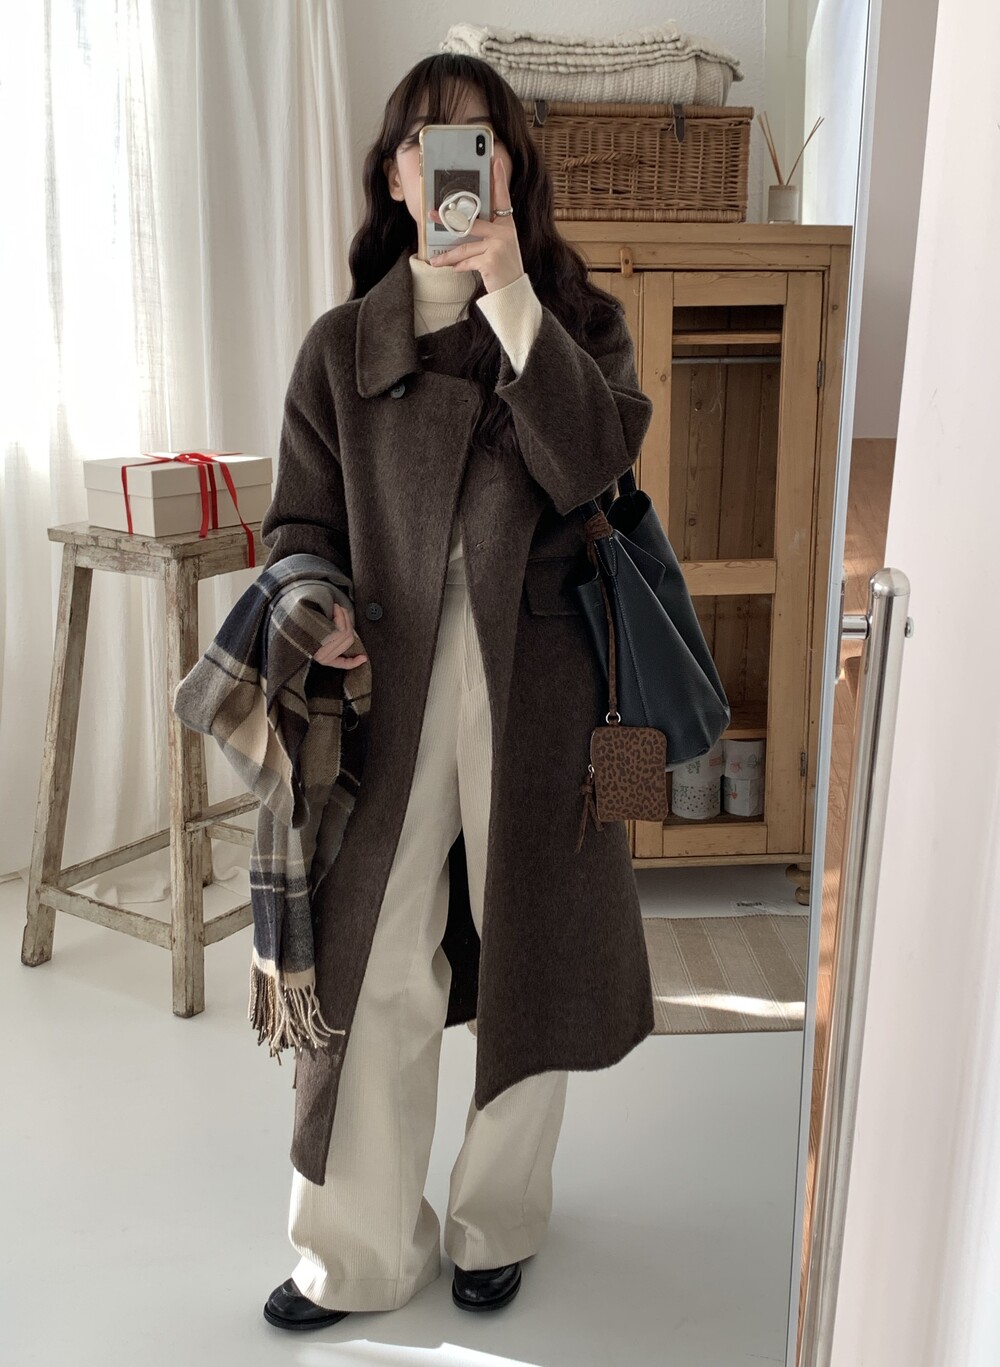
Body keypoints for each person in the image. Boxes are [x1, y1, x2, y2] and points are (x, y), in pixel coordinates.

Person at [262, 52, 655, 1332]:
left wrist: (511, 295)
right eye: (425, 143)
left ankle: (500, 1221)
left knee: (534, 939)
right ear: (393, 174)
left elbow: (594, 469)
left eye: (477, 141)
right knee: (370, 954)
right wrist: (316, 611)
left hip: (544, 687)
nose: (450, 165)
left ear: (508, 166)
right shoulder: (342, 347)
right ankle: (359, 1252)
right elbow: (297, 527)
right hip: (386, 690)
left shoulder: (574, 321)